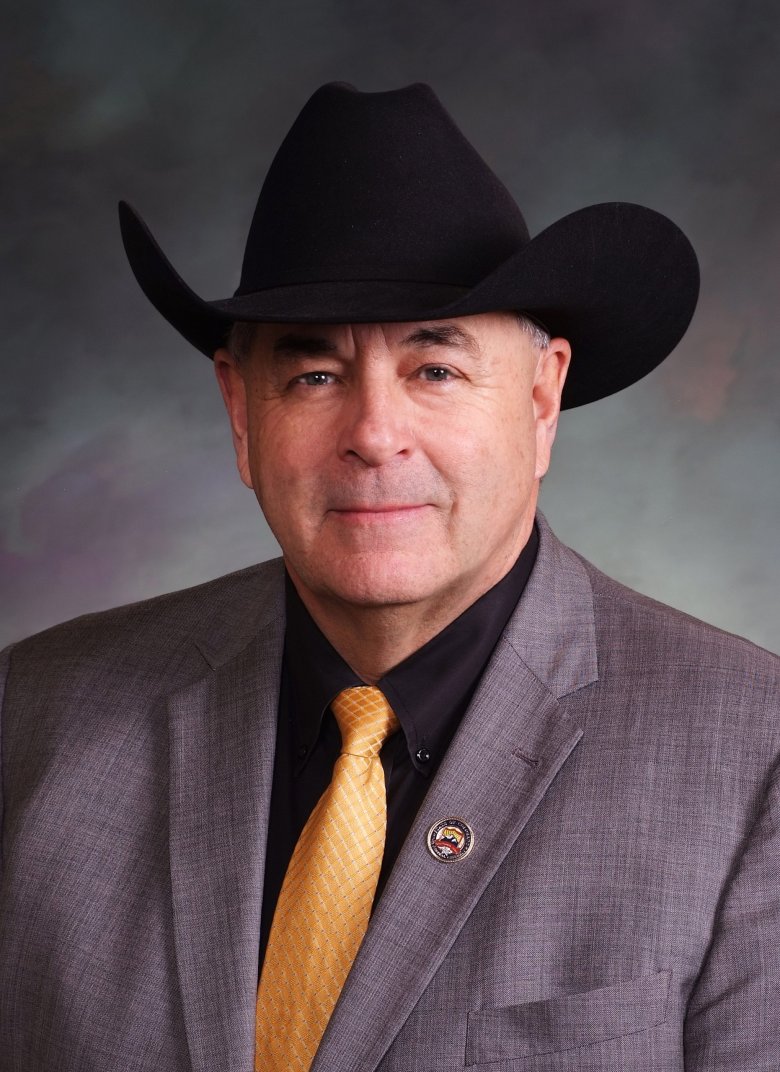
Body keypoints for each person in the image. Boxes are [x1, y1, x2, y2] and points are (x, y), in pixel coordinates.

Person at [0, 82, 777, 1072]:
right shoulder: (33, 716)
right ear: (241, 413)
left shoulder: (756, 763)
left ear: (543, 400)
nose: (371, 435)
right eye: (314, 373)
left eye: (434, 371)